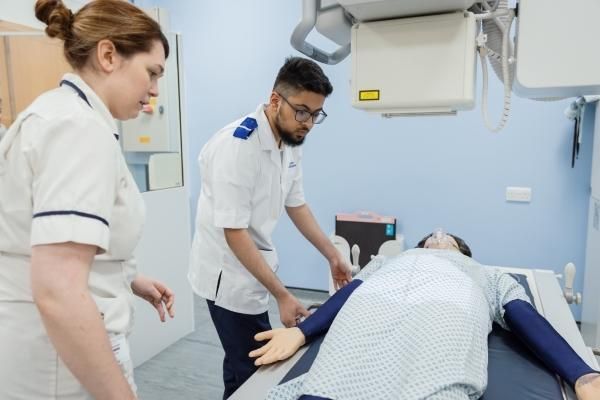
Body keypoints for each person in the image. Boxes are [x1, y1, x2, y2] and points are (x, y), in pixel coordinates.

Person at [0, 1, 175, 399]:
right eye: (152, 72)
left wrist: (127, 277)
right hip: (58, 366)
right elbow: (59, 290)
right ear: (109, 55)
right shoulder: (77, 130)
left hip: (44, 351)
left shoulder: (60, 114)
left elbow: (45, 243)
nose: (154, 90)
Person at [249, 231, 600, 400]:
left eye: (448, 237)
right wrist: (302, 332)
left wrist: (582, 375)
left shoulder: (480, 271)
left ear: (461, 251)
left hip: (446, 309)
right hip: (373, 307)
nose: (439, 234)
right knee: (334, 376)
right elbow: (351, 294)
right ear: (422, 247)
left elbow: (520, 314)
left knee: (435, 382)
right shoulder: (392, 261)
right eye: (432, 236)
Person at [188, 56, 352, 398]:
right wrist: (283, 295)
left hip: (254, 266)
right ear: (276, 99)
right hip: (228, 277)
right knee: (258, 372)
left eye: (316, 114)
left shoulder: (289, 141)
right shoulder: (238, 147)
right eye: (302, 111)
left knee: (240, 366)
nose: (308, 122)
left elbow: (297, 204)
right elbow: (234, 233)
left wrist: (332, 254)